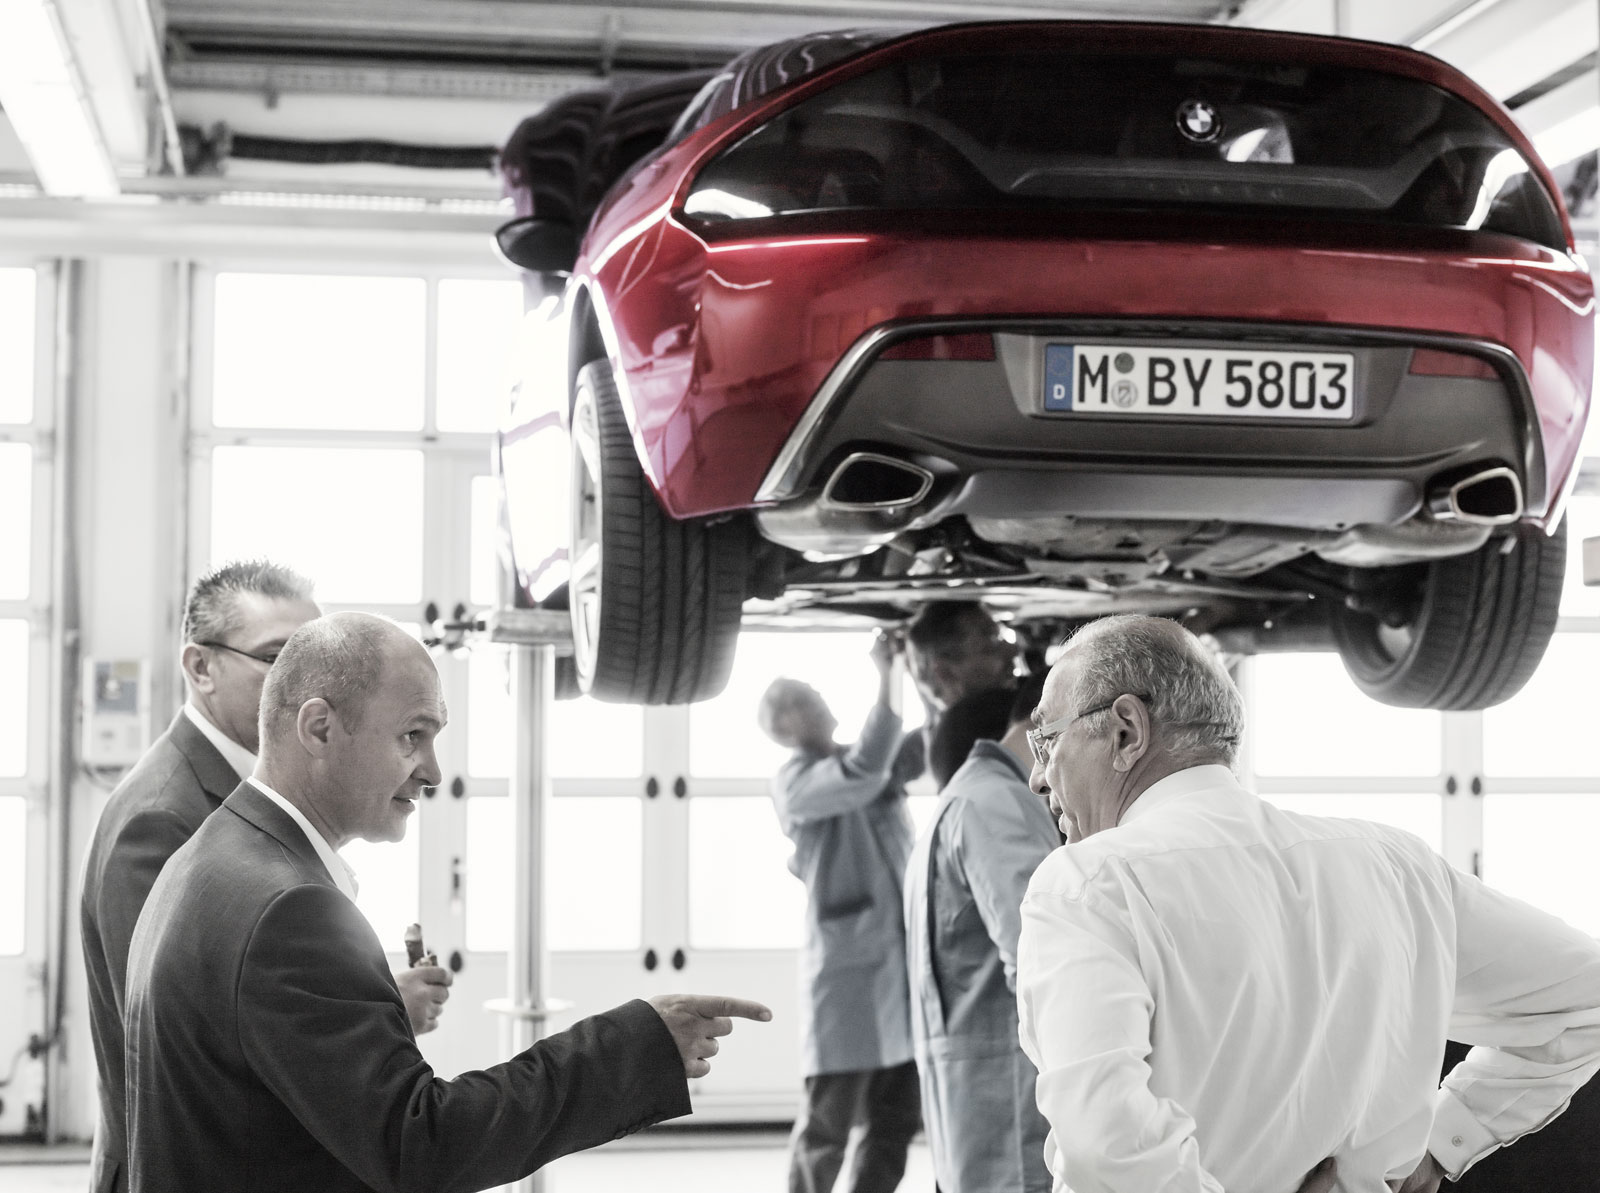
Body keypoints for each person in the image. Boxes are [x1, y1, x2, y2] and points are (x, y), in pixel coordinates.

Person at [124, 613, 770, 1192]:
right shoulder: (289, 908)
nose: (433, 771)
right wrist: (636, 1043)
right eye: (412, 735)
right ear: (319, 726)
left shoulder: (213, 853)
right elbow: (421, 1144)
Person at [1017, 614, 1600, 1193]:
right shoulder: (1397, 866)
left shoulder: (1088, 887)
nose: (1038, 778)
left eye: (1047, 740)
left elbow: (1105, 1146)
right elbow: (1586, 997)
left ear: (1126, 731)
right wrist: (1445, 1140)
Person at [79, 561, 454, 1193]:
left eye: (311, 655)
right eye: (278, 657)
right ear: (200, 667)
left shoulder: (253, 795)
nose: (302, 677)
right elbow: (181, 1037)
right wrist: (381, 1010)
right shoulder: (162, 817)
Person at [760, 635, 920, 1193]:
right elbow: (868, 770)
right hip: (849, 976)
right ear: (783, 727)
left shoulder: (857, 759)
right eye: (804, 699)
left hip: (903, 966)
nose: (821, 700)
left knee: (897, 1119)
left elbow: (910, 750)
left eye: (815, 691)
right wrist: (887, 675)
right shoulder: (797, 783)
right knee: (828, 1123)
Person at [906, 677, 1057, 1193]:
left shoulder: (965, 796)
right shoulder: (998, 802)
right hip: (1011, 1100)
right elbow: (1043, 958)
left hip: (979, 1100)